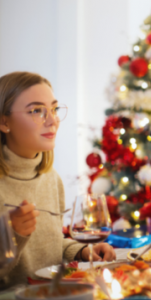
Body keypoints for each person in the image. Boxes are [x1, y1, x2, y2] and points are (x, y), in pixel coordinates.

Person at [0, 72, 115, 289]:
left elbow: (51, 244)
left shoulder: (51, 178)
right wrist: (9, 235)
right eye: (36, 111)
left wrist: (83, 251)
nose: (52, 120)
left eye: (54, 109)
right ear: (4, 122)